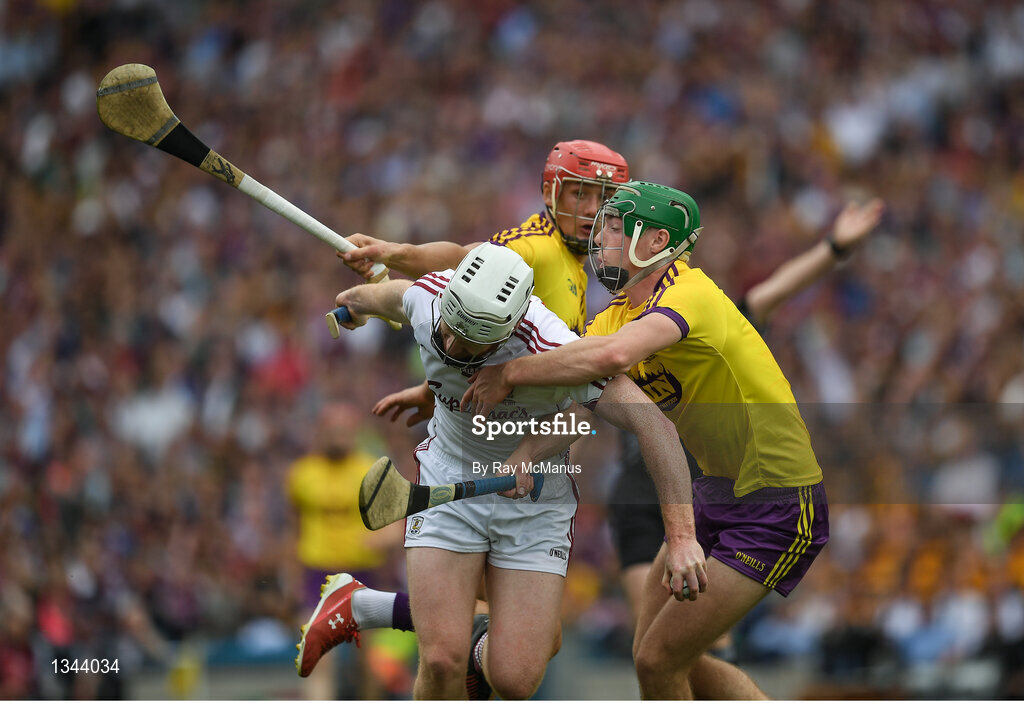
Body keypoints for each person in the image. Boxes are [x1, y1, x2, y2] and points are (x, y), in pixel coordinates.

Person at [462, 182, 831, 700]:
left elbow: (609, 359)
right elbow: (583, 405)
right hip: (715, 495)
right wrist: (526, 455)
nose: (599, 233)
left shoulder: (690, 292)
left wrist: (513, 373)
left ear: (656, 241)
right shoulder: (614, 314)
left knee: (660, 661)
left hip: (777, 502)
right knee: (657, 659)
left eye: (615, 226)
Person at [297, 243, 704, 700]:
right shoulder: (429, 300)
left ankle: (368, 606)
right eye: (448, 330)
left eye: (468, 343)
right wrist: (353, 305)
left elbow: (644, 424)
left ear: (506, 332)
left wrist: (682, 536)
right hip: (447, 481)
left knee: (514, 678)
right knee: (439, 657)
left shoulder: (553, 346)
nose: (450, 346)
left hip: (533, 503)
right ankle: (423, 624)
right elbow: (385, 296)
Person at [609, 198, 884, 624]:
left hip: (702, 488)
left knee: (698, 645)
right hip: (639, 496)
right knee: (650, 641)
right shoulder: (616, 325)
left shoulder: (703, 319)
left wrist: (833, 246)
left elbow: (773, 292)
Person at [339, 139, 629, 335]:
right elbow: (462, 259)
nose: (593, 210)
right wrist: (393, 252)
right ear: (548, 194)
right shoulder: (538, 245)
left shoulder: (573, 261)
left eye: (606, 197)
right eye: (580, 194)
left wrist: (430, 391)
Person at [287, 402, 404, 699]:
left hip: (362, 574)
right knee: (318, 658)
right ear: (321, 431)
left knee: (367, 662)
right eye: (332, 429)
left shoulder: (372, 470)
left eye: (344, 430)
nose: (338, 436)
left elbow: (398, 523)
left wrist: (381, 540)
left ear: (354, 432)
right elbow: (294, 528)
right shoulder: (302, 474)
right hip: (317, 575)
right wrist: (291, 576)